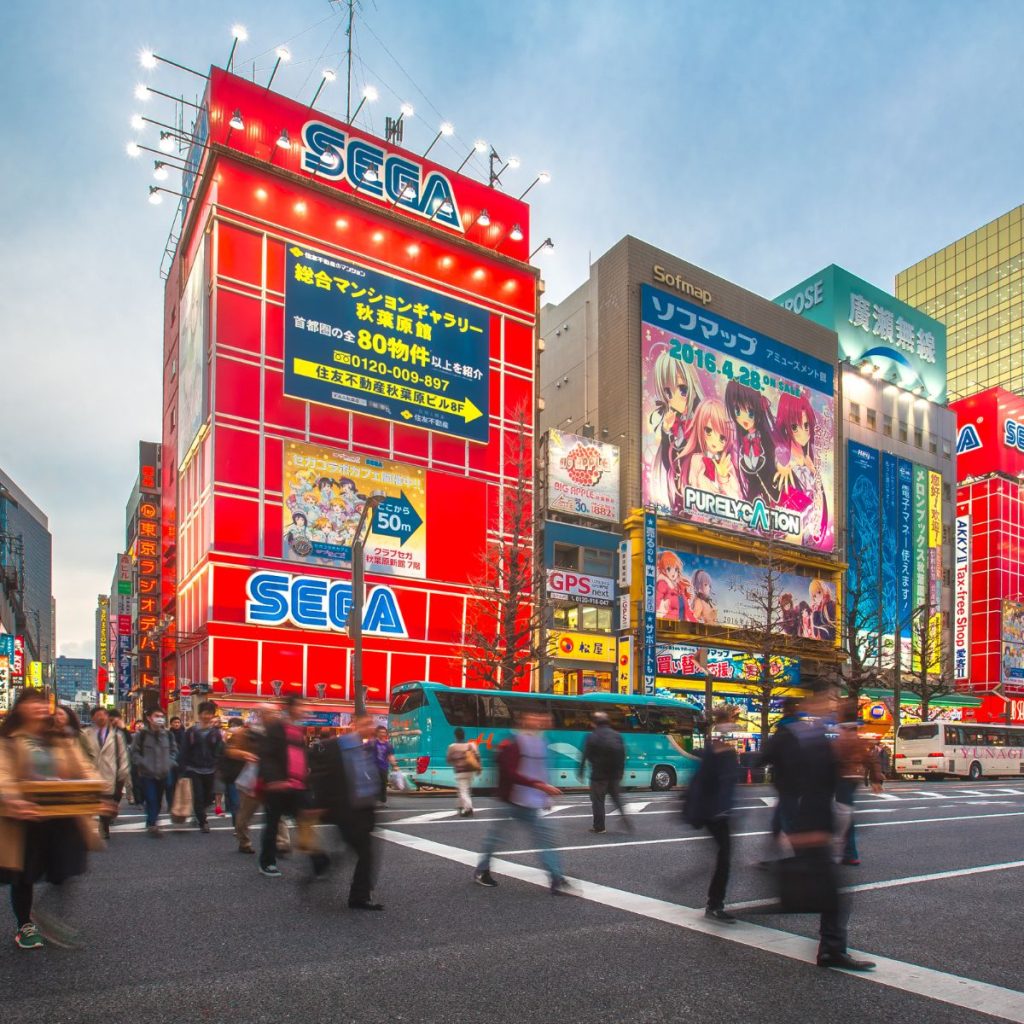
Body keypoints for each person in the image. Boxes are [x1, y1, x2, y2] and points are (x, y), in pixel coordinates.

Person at [0, 690, 105, 950]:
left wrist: (95, 790)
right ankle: (25, 925)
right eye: (31, 702)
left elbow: (84, 768)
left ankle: (45, 914)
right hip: (25, 817)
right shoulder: (9, 740)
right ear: (19, 708)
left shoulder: (59, 738)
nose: (38, 707)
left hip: (60, 813)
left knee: (68, 866)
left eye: (40, 702)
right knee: (24, 874)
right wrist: (13, 799)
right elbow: (2, 773)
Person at [780, 685, 875, 971]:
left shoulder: (819, 736)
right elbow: (810, 785)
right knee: (831, 893)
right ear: (817, 704)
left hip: (816, 824)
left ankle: (830, 948)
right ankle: (831, 949)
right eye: (829, 700)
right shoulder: (814, 738)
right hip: (814, 825)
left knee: (828, 891)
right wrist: (810, 829)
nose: (833, 705)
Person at [474, 709, 572, 894]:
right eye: (534, 717)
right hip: (509, 799)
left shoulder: (541, 741)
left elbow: (541, 770)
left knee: (545, 838)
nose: (540, 721)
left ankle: (556, 878)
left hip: (530, 801)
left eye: (540, 718)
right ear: (523, 720)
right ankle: (482, 870)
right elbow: (509, 772)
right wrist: (540, 787)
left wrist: (544, 794)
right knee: (496, 839)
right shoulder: (512, 742)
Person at [308, 715, 383, 909]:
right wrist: (320, 802)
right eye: (366, 724)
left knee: (355, 849)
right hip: (346, 809)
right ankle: (359, 896)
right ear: (354, 725)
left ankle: (323, 866)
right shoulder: (338, 746)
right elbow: (322, 774)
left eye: (372, 724)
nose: (370, 727)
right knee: (365, 853)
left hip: (362, 809)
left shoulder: (364, 748)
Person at [683, 706, 740, 922]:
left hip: (713, 810)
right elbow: (716, 782)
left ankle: (715, 902)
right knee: (724, 856)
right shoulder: (720, 750)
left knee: (723, 855)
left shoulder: (713, 748)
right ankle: (715, 904)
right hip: (716, 812)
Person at [258, 696, 310, 877]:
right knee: (272, 824)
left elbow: (300, 756)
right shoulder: (276, 727)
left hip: (297, 785)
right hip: (278, 786)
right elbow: (267, 756)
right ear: (290, 708)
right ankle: (267, 862)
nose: (303, 709)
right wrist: (274, 780)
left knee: (305, 821)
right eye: (300, 706)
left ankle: (317, 859)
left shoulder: (298, 729)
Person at [835, 714, 883, 866]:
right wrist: (876, 779)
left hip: (842, 780)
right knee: (846, 813)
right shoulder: (859, 742)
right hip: (854, 779)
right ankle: (849, 852)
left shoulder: (839, 742)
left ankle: (847, 853)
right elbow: (872, 760)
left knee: (843, 815)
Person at [83, 706, 130, 841]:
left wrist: (123, 771)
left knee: (106, 802)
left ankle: (104, 826)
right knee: (90, 802)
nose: (100, 717)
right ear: (92, 718)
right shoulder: (85, 734)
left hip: (109, 773)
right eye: (97, 715)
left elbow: (122, 755)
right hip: (91, 774)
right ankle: (89, 828)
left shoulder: (116, 735)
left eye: (103, 714)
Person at [177, 701, 224, 833]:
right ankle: (203, 821)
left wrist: (218, 764)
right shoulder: (191, 732)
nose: (207, 716)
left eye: (209, 714)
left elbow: (219, 751)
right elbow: (184, 750)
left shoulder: (216, 733)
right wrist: (182, 769)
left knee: (209, 797)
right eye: (204, 713)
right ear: (199, 714)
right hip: (193, 768)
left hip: (210, 769)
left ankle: (199, 812)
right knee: (198, 795)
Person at [578, 712, 628, 834]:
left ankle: (599, 827)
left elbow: (585, 755)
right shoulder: (617, 735)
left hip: (599, 775)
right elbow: (622, 755)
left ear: (594, 723)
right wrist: (620, 772)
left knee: (598, 800)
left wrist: (581, 771)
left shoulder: (592, 736)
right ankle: (624, 817)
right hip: (614, 775)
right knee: (616, 798)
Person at [131, 708, 175, 837]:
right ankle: (152, 824)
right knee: (151, 799)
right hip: (147, 774)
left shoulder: (168, 734)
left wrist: (170, 762)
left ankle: (151, 821)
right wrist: (142, 763)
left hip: (163, 772)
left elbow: (174, 751)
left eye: (162, 716)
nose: (160, 718)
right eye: (157, 715)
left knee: (158, 800)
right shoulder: (142, 735)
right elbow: (134, 752)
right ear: (149, 718)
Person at [445, 727, 480, 817]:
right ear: (464, 735)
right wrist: (479, 768)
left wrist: (455, 761)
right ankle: (461, 807)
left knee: (463, 791)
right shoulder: (470, 745)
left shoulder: (452, 747)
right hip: (470, 771)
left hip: (460, 772)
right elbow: (477, 756)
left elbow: (448, 759)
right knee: (464, 790)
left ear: (455, 736)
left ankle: (469, 808)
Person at [108, 710, 137, 805]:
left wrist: (123, 728)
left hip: (123, 760)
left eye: (115, 720)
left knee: (127, 781)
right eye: (111, 720)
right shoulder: (105, 729)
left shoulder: (121, 729)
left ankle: (130, 796)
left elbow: (129, 740)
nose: (113, 722)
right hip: (108, 761)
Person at [372, 726, 398, 804]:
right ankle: (374, 800)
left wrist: (395, 766)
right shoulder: (372, 743)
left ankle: (382, 801)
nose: (383, 734)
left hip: (383, 768)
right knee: (375, 784)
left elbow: (391, 756)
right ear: (377, 733)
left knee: (383, 784)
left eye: (384, 732)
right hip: (373, 768)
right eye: (381, 732)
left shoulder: (388, 745)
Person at [166, 715, 185, 812]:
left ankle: (179, 804)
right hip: (170, 762)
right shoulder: (168, 734)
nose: (177, 724)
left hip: (181, 763)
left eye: (178, 722)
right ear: (171, 724)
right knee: (170, 784)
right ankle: (170, 804)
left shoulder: (184, 734)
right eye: (175, 722)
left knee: (180, 784)